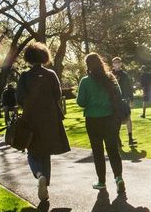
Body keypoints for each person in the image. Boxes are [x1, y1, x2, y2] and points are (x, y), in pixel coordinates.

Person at [16, 41, 70, 201]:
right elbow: (57, 96)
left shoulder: (24, 76)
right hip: (50, 118)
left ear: (29, 58)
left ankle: (39, 175)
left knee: (32, 151)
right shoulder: (51, 74)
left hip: (31, 118)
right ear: (44, 56)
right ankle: (45, 189)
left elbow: (19, 98)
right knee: (46, 153)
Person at [78, 53, 126, 191]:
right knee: (113, 149)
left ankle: (101, 181)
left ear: (88, 66)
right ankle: (118, 178)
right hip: (110, 118)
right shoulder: (110, 77)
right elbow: (119, 95)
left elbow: (81, 102)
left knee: (98, 151)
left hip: (93, 120)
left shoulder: (85, 81)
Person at [111, 57, 136, 148]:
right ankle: (118, 140)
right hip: (114, 101)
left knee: (128, 119)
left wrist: (131, 100)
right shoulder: (110, 74)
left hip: (125, 100)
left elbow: (129, 87)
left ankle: (130, 138)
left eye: (118, 62)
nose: (117, 64)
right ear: (113, 64)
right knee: (115, 122)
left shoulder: (125, 75)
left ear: (121, 63)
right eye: (115, 62)